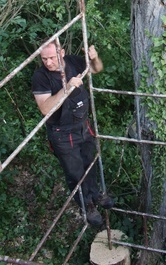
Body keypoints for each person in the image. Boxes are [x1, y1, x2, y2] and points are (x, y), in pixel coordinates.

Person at [31, 41, 114, 227]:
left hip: (82, 126)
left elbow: (97, 69)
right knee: (75, 172)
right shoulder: (41, 76)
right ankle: (87, 206)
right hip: (62, 132)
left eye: (52, 57)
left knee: (89, 162)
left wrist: (94, 58)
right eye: (44, 59)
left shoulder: (72, 62)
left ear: (61, 52)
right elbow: (45, 109)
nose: (48, 62)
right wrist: (66, 88)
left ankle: (95, 194)